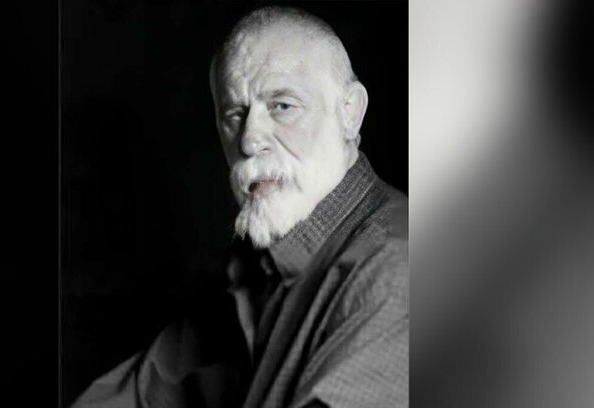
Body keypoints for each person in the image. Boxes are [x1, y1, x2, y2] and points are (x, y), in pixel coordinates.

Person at [72, 6, 408, 408]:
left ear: (350, 112)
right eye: (234, 114)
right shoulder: (259, 268)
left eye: (282, 106)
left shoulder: (398, 273)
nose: (249, 140)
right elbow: (137, 395)